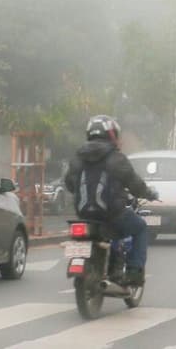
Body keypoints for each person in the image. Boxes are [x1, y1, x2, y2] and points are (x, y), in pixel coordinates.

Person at [64, 114, 158, 285]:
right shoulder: (116, 158)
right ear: (112, 134)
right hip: (112, 215)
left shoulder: (78, 158)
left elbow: (70, 184)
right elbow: (134, 184)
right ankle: (134, 272)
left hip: (85, 216)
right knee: (140, 227)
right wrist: (149, 193)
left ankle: (108, 267)